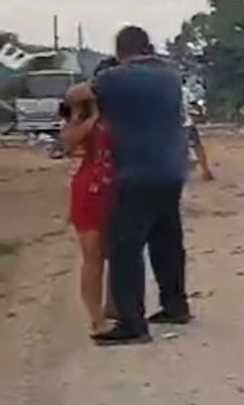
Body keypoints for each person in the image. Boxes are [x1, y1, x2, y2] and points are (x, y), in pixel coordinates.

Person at [80, 26, 192, 346]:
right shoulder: (171, 76)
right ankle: (175, 306)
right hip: (172, 171)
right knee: (167, 241)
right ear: (148, 46)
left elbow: (79, 95)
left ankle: (132, 322)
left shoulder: (113, 79)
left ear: (120, 51)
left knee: (125, 247)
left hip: (135, 173)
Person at [60, 57, 119, 335]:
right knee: (93, 256)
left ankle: (113, 307)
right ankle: (96, 318)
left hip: (117, 189)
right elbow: (68, 142)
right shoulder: (82, 114)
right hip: (91, 189)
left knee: (117, 253)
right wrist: (93, 113)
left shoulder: (124, 112)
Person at [182, 80, 215, 181]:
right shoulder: (184, 90)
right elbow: (194, 104)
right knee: (197, 145)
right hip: (185, 123)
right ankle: (205, 171)